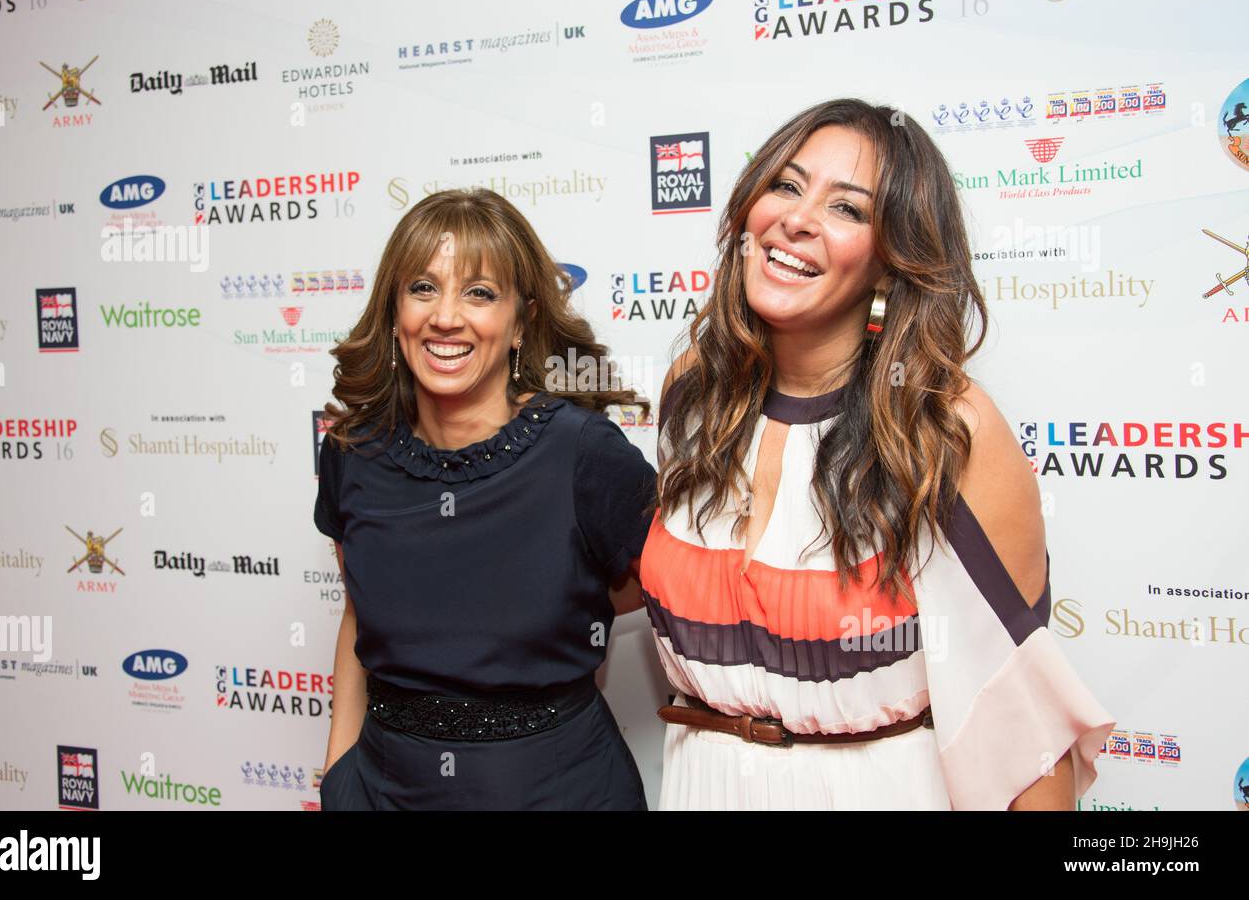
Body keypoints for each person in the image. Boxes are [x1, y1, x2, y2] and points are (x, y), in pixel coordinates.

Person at [639, 98, 1115, 810]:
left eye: (848, 210)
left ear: (893, 263)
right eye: (787, 185)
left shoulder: (945, 428)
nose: (797, 220)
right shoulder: (693, 397)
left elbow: (1027, 736)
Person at [314, 187, 656, 810]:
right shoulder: (352, 454)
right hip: (384, 791)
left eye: (479, 293)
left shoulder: (583, 451)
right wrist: (338, 771)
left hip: (559, 791)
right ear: (393, 312)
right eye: (422, 288)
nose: (446, 316)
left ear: (521, 321)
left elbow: (655, 585)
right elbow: (358, 612)